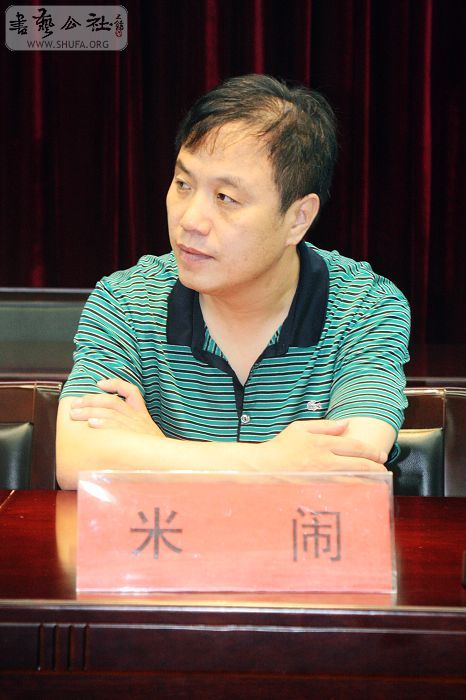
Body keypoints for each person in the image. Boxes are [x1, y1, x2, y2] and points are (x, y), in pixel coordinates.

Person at [56, 74, 410, 490]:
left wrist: (153, 449)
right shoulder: (127, 300)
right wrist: (271, 462)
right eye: (183, 184)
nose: (190, 220)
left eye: (226, 198)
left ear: (298, 218)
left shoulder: (364, 306)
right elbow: (77, 459)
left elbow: (353, 471)